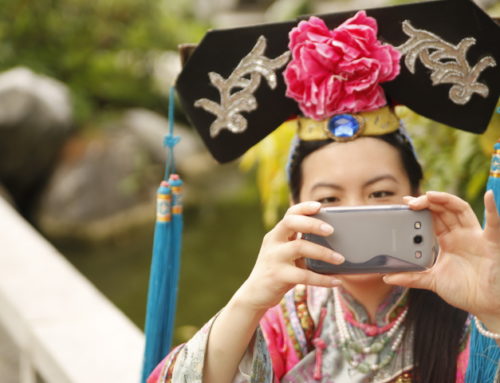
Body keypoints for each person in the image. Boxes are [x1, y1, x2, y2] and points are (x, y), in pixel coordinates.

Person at [147, 1, 500, 382]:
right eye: (329, 199)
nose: (356, 212)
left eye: (380, 194)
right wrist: (249, 300)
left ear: (417, 194)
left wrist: (494, 313)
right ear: (296, 208)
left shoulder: (464, 304)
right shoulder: (289, 317)